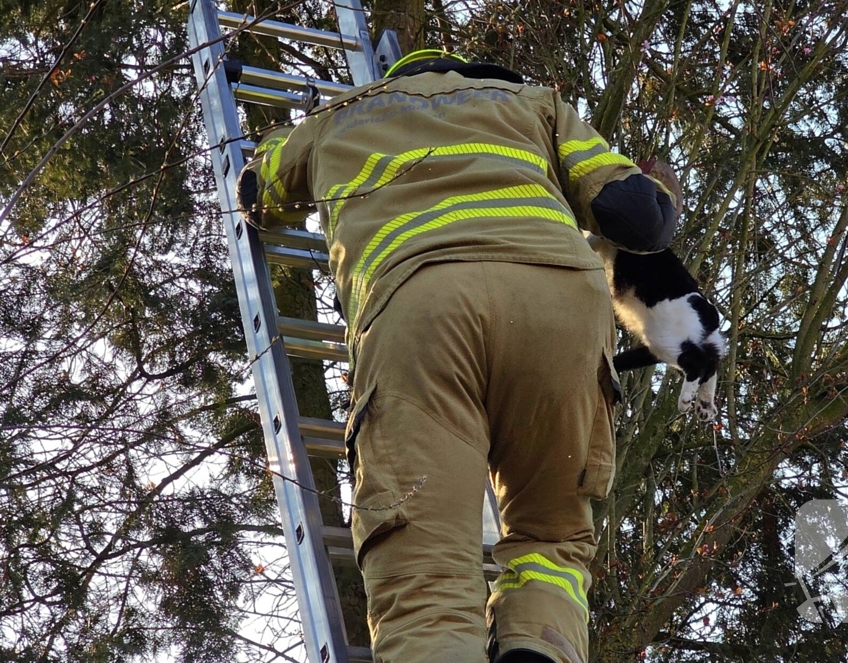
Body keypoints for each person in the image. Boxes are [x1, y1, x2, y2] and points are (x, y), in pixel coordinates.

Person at [237, 49, 679, 663]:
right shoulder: (535, 104)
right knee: (551, 538)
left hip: (419, 309)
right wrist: (661, 185)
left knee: (422, 561)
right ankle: (538, 649)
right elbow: (637, 217)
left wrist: (278, 145)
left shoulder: (337, 118)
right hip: (559, 307)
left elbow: (258, 191)